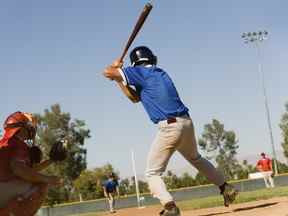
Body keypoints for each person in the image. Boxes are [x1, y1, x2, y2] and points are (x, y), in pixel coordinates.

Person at [103, 46, 238, 216]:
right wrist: (119, 77)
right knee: (195, 158)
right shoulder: (159, 73)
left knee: (152, 173)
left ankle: (170, 207)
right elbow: (135, 98)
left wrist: (116, 68)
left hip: (169, 127)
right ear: (151, 59)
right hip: (186, 123)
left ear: (135, 63)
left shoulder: (139, 72)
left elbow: (107, 72)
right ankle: (225, 187)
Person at [0, 111, 62, 216]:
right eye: (30, 127)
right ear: (24, 128)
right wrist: (47, 178)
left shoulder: (7, 142)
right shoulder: (18, 143)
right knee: (41, 185)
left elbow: (28, 171)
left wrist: (51, 160)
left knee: (31, 180)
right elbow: (19, 169)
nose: (32, 129)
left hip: (3, 186)